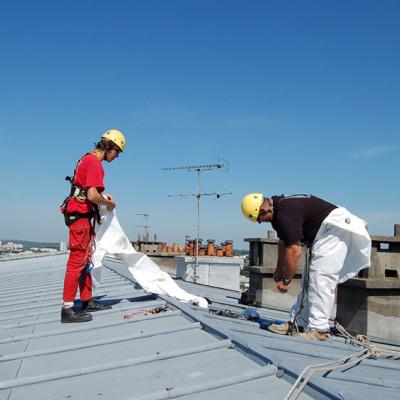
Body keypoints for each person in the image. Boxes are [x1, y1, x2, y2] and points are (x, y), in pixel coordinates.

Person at [241, 193, 371, 341]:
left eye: (259, 219)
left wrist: (286, 281)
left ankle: (319, 329)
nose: (260, 222)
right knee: (308, 280)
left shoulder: (284, 212)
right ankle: (298, 323)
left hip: (335, 229)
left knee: (321, 277)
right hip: (325, 232)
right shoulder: (279, 210)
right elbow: (283, 242)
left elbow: (294, 251)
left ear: (264, 209)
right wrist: (279, 269)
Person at [60, 129, 126, 323]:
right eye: (118, 152)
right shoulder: (95, 162)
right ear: (111, 147)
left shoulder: (86, 159)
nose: (117, 156)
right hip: (80, 218)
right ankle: (67, 309)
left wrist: (102, 199)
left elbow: (87, 192)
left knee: (86, 259)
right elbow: (91, 195)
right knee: (77, 261)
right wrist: (109, 204)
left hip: (82, 216)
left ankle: (87, 300)